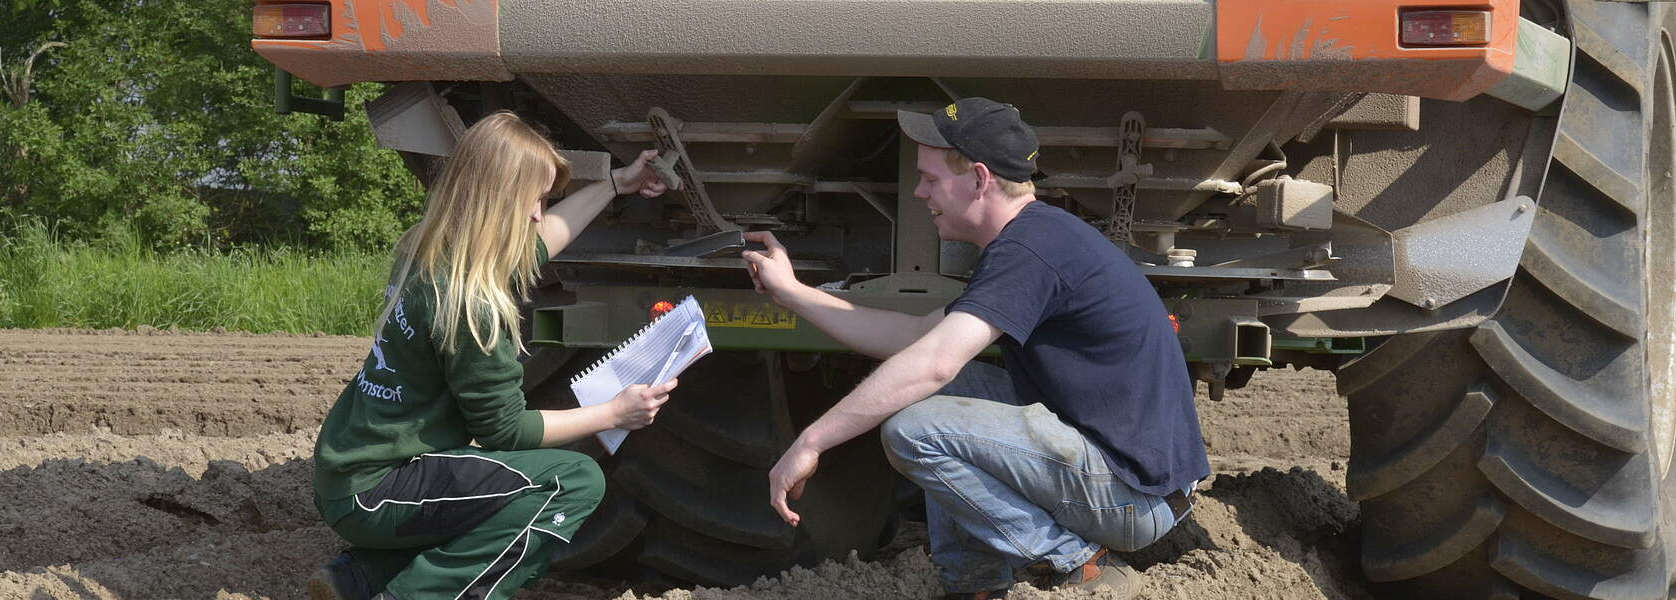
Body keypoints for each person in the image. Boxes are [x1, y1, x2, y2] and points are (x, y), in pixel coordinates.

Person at [742, 98, 1209, 599]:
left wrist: (810, 442)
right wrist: (791, 292)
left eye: (931, 179)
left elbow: (934, 364)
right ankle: (974, 585)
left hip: (1131, 497)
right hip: (1126, 477)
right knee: (919, 396)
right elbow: (917, 337)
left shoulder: (1029, 251)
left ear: (980, 179)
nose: (919, 192)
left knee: (914, 429)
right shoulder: (1034, 238)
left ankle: (1081, 565)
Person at [306, 111, 673, 600]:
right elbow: (504, 431)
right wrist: (613, 412)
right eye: (537, 198)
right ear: (500, 197)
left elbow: (545, 239)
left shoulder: (429, 250)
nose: (540, 213)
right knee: (572, 480)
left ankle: (360, 577)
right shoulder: (470, 303)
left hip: (351, 477)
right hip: (377, 493)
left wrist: (615, 184)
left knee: (498, 484)